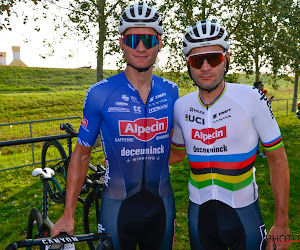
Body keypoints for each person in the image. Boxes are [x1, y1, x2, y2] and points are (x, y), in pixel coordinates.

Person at [51, 3, 178, 250]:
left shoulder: (172, 91)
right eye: (133, 39)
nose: (140, 47)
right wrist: (68, 213)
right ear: (121, 43)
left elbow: (178, 150)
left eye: (148, 39)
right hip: (117, 207)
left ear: (159, 44)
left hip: (162, 205)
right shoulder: (100, 93)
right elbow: (81, 154)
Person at [169, 20, 290, 250]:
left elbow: (278, 159)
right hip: (199, 215)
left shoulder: (252, 98)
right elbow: (175, 154)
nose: (205, 67)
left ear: (227, 60)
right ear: (188, 64)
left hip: (244, 213)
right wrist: (131, 160)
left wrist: (282, 223)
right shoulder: (181, 106)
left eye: (213, 58)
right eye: (197, 59)